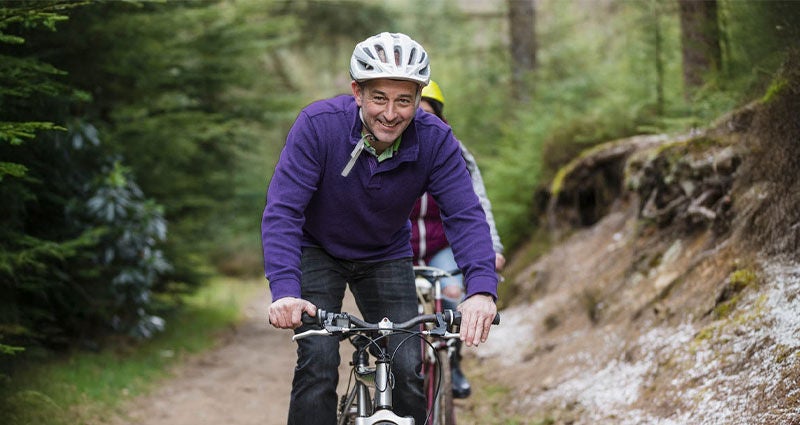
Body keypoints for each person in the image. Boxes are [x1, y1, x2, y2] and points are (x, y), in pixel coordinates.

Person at [262, 32, 499, 425]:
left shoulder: (436, 140)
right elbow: (283, 211)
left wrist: (481, 290)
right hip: (318, 249)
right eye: (379, 98)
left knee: (407, 367)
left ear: (418, 99)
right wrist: (285, 290)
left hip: (385, 253)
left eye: (404, 100)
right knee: (318, 361)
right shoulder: (318, 126)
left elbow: (465, 215)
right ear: (357, 92)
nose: (390, 113)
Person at [411, 80, 506, 399]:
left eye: (427, 114)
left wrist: (492, 249)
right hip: (399, 249)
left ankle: (451, 360)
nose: (419, 120)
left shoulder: (453, 152)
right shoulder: (388, 146)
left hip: (441, 246)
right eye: (415, 112)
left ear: (441, 118)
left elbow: (476, 205)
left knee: (453, 295)